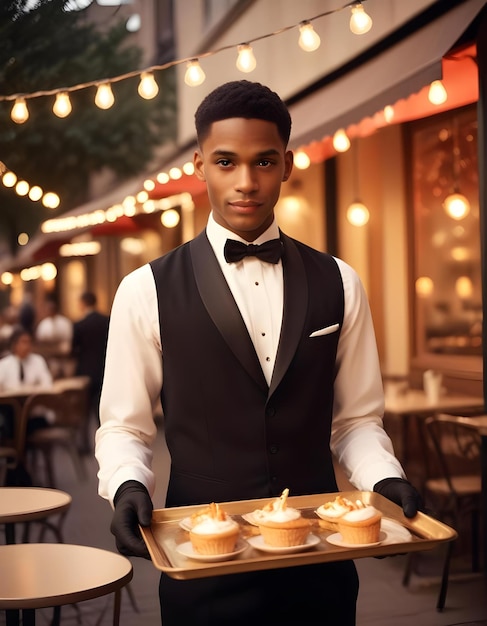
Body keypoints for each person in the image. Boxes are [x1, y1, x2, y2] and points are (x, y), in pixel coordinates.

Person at [95, 80, 422, 626]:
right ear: (200, 164)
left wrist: (383, 479)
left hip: (321, 562)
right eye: (226, 162)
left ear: (288, 164)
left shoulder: (340, 280)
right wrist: (127, 484)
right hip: (203, 560)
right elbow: (125, 428)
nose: (246, 182)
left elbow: (357, 421)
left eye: (264, 162)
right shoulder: (143, 289)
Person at [0, 325, 54, 437]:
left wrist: (31, 389)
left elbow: (47, 384)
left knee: (21, 425)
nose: (27, 346)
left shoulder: (38, 361)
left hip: (33, 412)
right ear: (14, 345)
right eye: (23, 342)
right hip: (11, 410)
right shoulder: (4, 365)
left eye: (29, 342)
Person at [71, 291, 109, 449]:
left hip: (85, 371)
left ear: (83, 303)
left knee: (84, 411)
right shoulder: (107, 321)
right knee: (103, 410)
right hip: (104, 369)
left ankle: (84, 443)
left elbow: (73, 350)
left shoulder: (79, 325)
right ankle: (107, 444)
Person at [35, 294, 73, 378]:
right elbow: (40, 339)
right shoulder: (44, 323)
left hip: (63, 354)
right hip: (50, 354)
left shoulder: (64, 322)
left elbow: (68, 337)